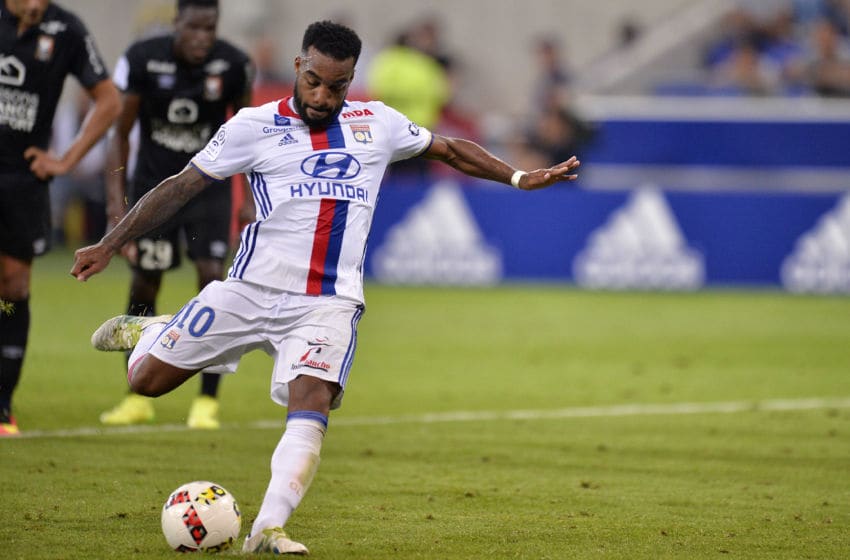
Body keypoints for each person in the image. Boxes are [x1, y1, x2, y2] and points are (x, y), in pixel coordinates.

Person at [71, 20, 579, 554]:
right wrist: (109, 243)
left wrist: (521, 178)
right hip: (248, 289)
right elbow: (181, 187)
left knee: (311, 403)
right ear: (298, 66)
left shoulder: (376, 122)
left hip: (327, 303)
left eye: (335, 86)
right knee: (146, 382)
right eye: (313, 80)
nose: (321, 95)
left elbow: (449, 150)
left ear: (350, 79)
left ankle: (268, 527)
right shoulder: (253, 125)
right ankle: (155, 331)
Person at [98, 0, 254, 429]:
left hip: (208, 193)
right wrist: (117, 206)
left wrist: (248, 201)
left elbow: (250, 139)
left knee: (213, 284)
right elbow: (120, 135)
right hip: (154, 193)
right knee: (146, 283)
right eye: (194, 28)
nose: (203, 37)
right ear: (177, 24)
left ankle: (207, 403)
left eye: (211, 28)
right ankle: (136, 396)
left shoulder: (235, 65)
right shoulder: (142, 59)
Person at [0, 0, 120, 436]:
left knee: (13, 287)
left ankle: (3, 405)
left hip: (22, 179)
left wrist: (67, 160)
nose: (34, 5)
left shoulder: (65, 29)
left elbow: (108, 101)